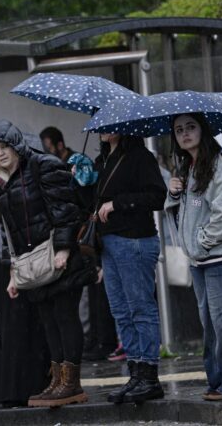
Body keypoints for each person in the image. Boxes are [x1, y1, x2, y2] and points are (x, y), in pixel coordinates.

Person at [0, 120, 93, 408]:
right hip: (34, 265)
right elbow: (13, 235)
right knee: (49, 322)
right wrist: (15, 275)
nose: (0, 154)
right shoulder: (7, 182)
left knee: (64, 317)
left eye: (4, 147)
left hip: (57, 257)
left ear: (16, 144)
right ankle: (58, 381)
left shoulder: (43, 165)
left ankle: (71, 382)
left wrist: (63, 249)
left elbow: (65, 209)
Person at [165, 114, 222, 401]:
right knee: (211, 324)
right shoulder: (187, 168)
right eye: (179, 130)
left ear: (203, 130)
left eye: (191, 127)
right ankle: (218, 381)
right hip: (201, 260)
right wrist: (173, 193)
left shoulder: (217, 164)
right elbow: (185, 213)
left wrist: (201, 243)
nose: (185, 134)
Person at [0, 155, 50, 407]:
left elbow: (28, 212)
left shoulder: (24, 177)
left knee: (19, 321)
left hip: (20, 260)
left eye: (4, 147)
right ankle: (4, 388)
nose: (0, 153)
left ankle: (25, 386)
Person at [96, 132, 167, 404]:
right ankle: (136, 373)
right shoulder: (102, 160)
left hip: (135, 240)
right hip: (109, 243)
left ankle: (149, 376)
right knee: (121, 311)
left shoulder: (140, 157)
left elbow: (157, 197)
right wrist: (82, 180)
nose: (102, 127)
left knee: (140, 308)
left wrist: (118, 203)